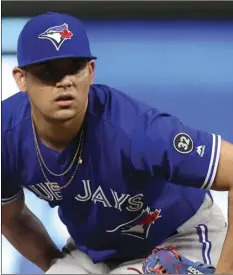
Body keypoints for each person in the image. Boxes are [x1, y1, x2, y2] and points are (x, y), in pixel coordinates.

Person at [2, 12, 233, 274]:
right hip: (95, 252)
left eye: (73, 67)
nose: (64, 81)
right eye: (47, 70)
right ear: (22, 79)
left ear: (90, 72)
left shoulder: (133, 128)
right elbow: (12, 217)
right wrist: (59, 266)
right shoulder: (5, 136)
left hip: (178, 238)